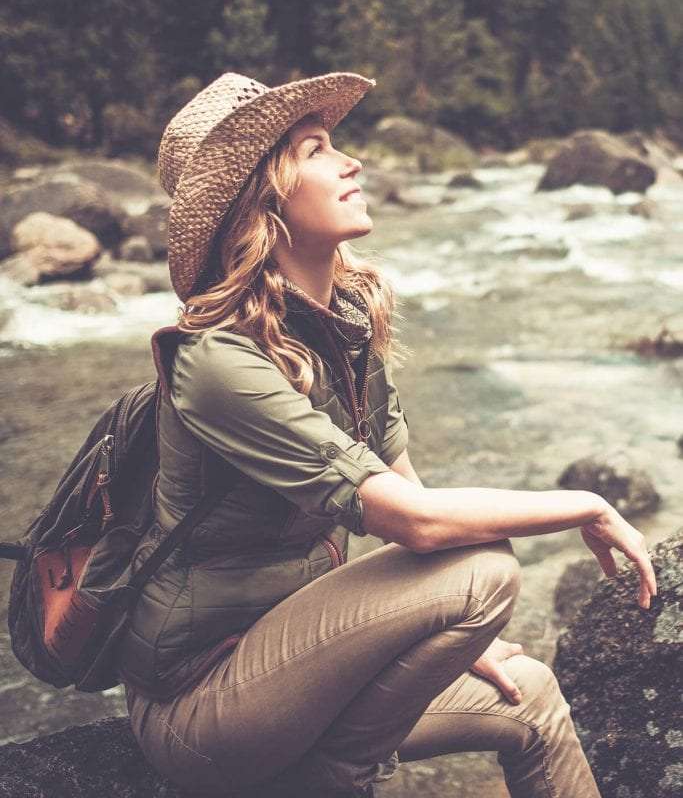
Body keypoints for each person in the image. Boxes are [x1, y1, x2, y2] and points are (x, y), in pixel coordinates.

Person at [117, 70, 657, 798]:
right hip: (203, 704)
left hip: (300, 663)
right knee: (485, 570)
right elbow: (418, 525)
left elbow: (409, 497)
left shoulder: (340, 327)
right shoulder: (216, 360)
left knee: (526, 690)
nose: (351, 163)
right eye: (315, 149)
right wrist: (586, 506)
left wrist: (462, 647)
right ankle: (337, 777)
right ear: (264, 197)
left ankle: (333, 764)